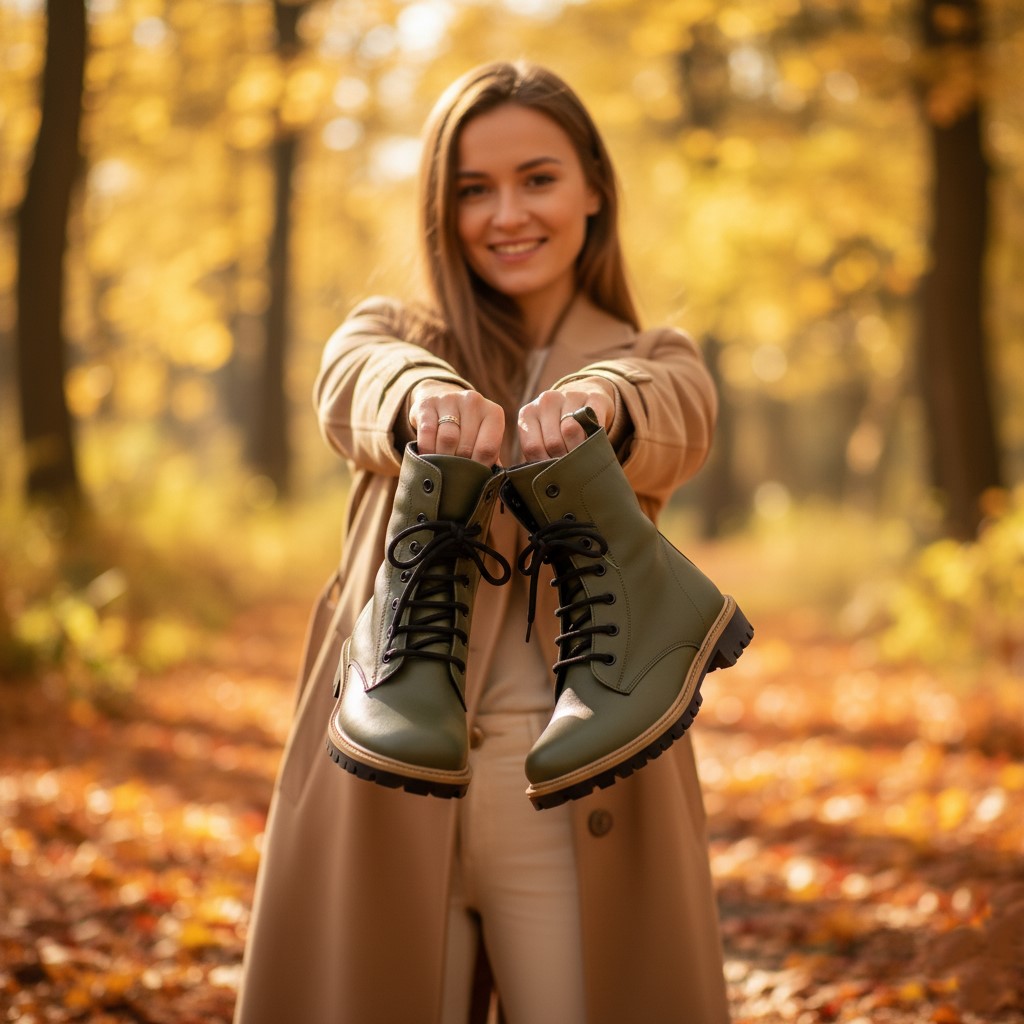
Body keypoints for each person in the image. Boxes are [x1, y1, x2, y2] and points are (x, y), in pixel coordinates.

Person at [233, 60, 732, 1024]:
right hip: (387, 780)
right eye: (473, 189)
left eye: (537, 178)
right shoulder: (396, 333)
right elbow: (352, 380)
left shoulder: (651, 357)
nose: (507, 213)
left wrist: (606, 404)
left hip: (574, 787)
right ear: (441, 207)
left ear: (593, 188)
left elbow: (680, 414)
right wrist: (422, 398)